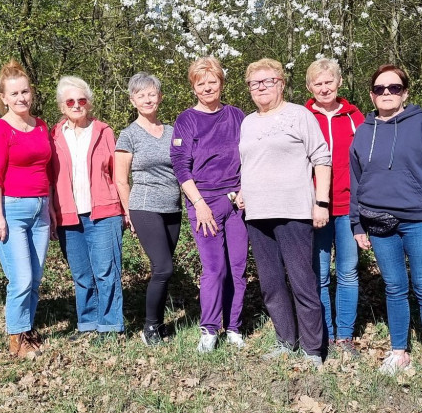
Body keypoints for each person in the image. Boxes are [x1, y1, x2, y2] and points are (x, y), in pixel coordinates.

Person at [351, 65, 422, 376]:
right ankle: (399, 352)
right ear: (372, 94)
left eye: (394, 88)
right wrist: (357, 224)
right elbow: (356, 180)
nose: (387, 93)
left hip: (419, 219)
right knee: (394, 287)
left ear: (405, 92)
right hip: (378, 221)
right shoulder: (364, 130)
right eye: (380, 88)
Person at [239, 59, 332, 368]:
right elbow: (250, 163)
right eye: (255, 83)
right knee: (271, 283)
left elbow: (322, 158)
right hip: (257, 214)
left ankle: (312, 349)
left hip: (293, 211)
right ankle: (285, 341)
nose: (261, 88)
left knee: (303, 281)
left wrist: (321, 203)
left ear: (280, 83)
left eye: (267, 81)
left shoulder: (299, 115)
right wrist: (242, 190)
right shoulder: (248, 122)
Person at [170, 57, 249, 354]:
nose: (207, 87)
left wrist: (244, 189)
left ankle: (234, 327)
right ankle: (209, 328)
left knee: (238, 268)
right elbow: (181, 165)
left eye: (212, 81)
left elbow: (249, 155)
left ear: (221, 83)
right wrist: (199, 204)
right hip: (204, 202)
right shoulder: (187, 120)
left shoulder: (236, 115)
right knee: (214, 269)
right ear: (193, 87)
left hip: (236, 202)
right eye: (200, 83)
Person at [0, 61, 54, 359]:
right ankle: (16, 340)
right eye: (14, 94)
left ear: (32, 93)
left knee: (35, 277)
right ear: (3, 98)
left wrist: (51, 209)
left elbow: (48, 170)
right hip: (11, 210)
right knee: (21, 278)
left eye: (25, 92)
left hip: (41, 209)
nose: (21, 98)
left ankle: (26, 329)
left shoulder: (41, 126)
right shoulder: (1, 129)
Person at [51, 76, 126, 340]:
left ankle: (110, 325)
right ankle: (88, 324)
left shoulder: (104, 131)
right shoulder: (54, 135)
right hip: (68, 215)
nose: (76, 105)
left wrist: (126, 209)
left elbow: (117, 173)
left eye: (81, 100)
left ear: (89, 103)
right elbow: (47, 176)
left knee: (107, 272)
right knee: (82, 274)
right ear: (62, 106)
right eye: (70, 101)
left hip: (104, 212)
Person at [114, 73, 183, 347]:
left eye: (152, 93)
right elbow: (121, 178)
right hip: (144, 206)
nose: (147, 99)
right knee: (163, 267)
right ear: (133, 100)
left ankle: (159, 323)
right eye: (140, 95)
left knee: (163, 269)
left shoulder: (172, 131)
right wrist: (129, 213)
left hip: (172, 208)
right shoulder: (128, 135)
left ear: (160, 97)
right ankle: (150, 327)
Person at [304, 58, 366, 355]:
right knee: (319, 272)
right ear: (309, 87)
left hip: (349, 206)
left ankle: (344, 335)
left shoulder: (355, 116)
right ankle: (324, 333)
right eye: (318, 83)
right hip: (316, 208)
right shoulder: (302, 116)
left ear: (338, 82)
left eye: (329, 81)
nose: (324, 87)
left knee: (348, 271)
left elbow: (368, 161)